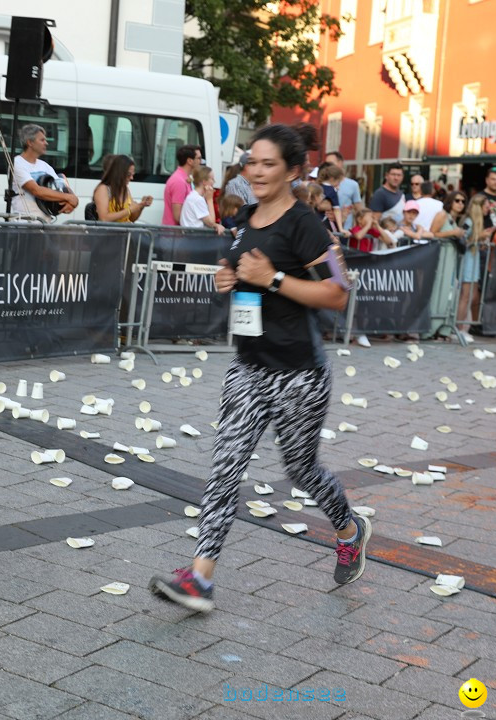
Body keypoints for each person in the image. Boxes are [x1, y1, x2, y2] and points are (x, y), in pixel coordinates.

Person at [148, 123, 368, 612]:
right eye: (252, 162)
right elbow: (239, 275)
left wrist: (273, 279)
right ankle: (201, 579)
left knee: (301, 469)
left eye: (270, 164)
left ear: (293, 170)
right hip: (248, 367)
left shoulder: (307, 223)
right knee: (225, 468)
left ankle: (349, 528)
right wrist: (227, 280)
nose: (258, 171)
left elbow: (337, 292)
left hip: (299, 373)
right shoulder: (243, 217)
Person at [9, 124, 78, 221]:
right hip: (25, 224)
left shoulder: (45, 166)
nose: (46, 143)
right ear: (30, 142)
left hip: (45, 223)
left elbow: (62, 187)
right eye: (42, 140)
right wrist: (69, 198)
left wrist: (72, 201)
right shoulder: (16, 163)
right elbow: (36, 191)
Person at [457, 193, 488, 342]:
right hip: (468, 261)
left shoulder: (476, 222)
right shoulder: (469, 221)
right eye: (486, 206)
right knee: (466, 295)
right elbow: (462, 240)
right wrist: (479, 237)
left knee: (473, 295)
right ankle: (458, 328)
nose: (488, 209)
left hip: (473, 260)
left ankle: (464, 327)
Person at [92, 154, 152, 222]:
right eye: (128, 175)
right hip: (109, 231)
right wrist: (129, 210)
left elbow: (132, 218)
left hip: (124, 230)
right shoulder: (103, 189)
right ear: (118, 173)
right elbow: (104, 218)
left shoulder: (125, 190)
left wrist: (141, 206)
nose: (132, 178)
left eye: (133, 174)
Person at [163, 144, 202, 225]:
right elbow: (177, 216)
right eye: (198, 158)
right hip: (174, 234)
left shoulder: (184, 178)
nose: (201, 162)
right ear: (189, 161)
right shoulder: (179, 181)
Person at [180, 166, 225, 234]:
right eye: (212, 179)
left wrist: (216, 225)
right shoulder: (198, 199)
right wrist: (210, 200)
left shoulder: (194, 196)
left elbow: (207, 221)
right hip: (194, 239)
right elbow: (211, 222)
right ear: (204, 182)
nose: (214, 182)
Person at [326, 151, 364, 230]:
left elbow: (359, 210)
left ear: (340, 163)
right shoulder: (323, 183)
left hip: (345, 231)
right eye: (327, 164)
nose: (328, 167)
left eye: (331, 163)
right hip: (326, 229)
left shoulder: (352, 185)